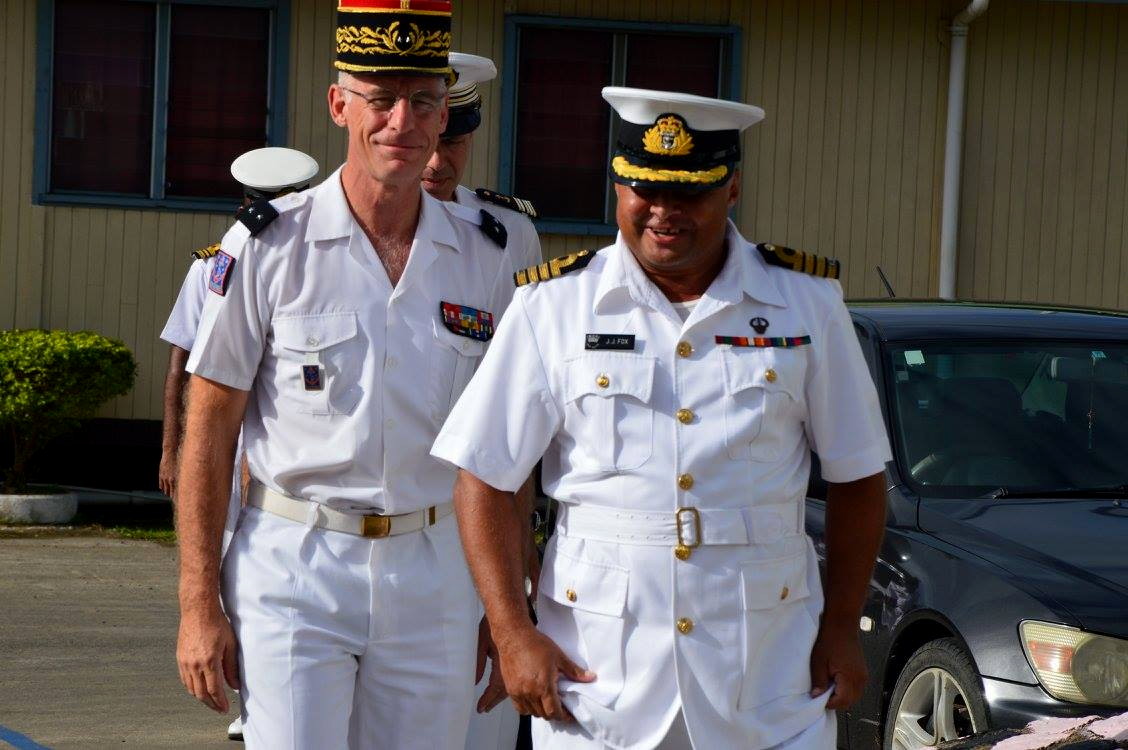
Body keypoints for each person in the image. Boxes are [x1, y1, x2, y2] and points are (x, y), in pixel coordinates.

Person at [432, 86, 892, 750]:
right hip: (598, 680)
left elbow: (857, 478)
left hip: (765, 674)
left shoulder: (806, 304)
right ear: (617, 186)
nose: (663, 213)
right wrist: (511, 631)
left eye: (690, 194)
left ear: (731, 189)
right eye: (644, 190)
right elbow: (483, 478)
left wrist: (843, 626)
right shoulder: (554, 306)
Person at [173, 1, 534, 747]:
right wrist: (196, 604)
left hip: (436, 570)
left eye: (423, 102)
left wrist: (509, 610)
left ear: (444, 118)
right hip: (295, 568)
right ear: (340, 105)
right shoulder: (270, 244)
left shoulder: (492, 250)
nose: (401, 121)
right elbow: (209, 430)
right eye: (380, 99)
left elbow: (511, 445)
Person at [158, 145, 318, 743]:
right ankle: (256, 697)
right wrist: (172, 449)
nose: (269, 214)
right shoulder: (215, 265)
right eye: (259, 204)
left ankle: (262, 699)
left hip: (272, 455)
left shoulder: (320, 258)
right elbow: (184, 366)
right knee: (227, 571)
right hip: (219, 448)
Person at [419, 51, 542, 750]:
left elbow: (523, 407)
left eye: (454, 141)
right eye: (431, 142)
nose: (438, 161)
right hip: (372, 521)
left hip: (474, 529)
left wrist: (523, 542)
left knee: (476, 725)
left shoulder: (506, 237)